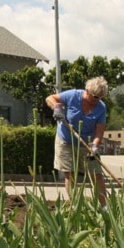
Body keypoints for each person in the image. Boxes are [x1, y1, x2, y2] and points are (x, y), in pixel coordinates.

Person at [46, 76, 108, 207]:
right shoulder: (73, 95)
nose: (97, 100)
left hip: (87, 144)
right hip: (66, 141)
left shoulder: (101, 108)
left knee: (96, 175)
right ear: (87, 91)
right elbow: (50, 98)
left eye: (100, 97)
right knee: (70, 174)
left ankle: (105, 208)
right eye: (95, 96)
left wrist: (95, 145)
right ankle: (75, 207)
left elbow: (99, 132)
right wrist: (56, 107)